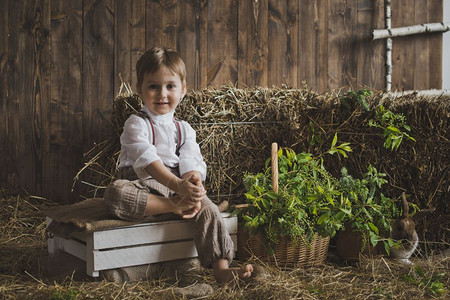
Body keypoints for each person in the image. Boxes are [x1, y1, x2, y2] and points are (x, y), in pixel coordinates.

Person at [104, 46, 253, 284]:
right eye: (153, 86)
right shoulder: (136, 124)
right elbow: (148, 162)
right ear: (139, 90)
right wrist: (177, 193)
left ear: (183, 90)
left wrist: (193, 183)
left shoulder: (184, 128)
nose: (162, 93)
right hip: (143, 185)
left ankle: (222, 268)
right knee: (116, 193)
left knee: (209, 208)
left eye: (170, 86)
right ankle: (171, 207)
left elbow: (191, 160)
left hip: (178, 185)